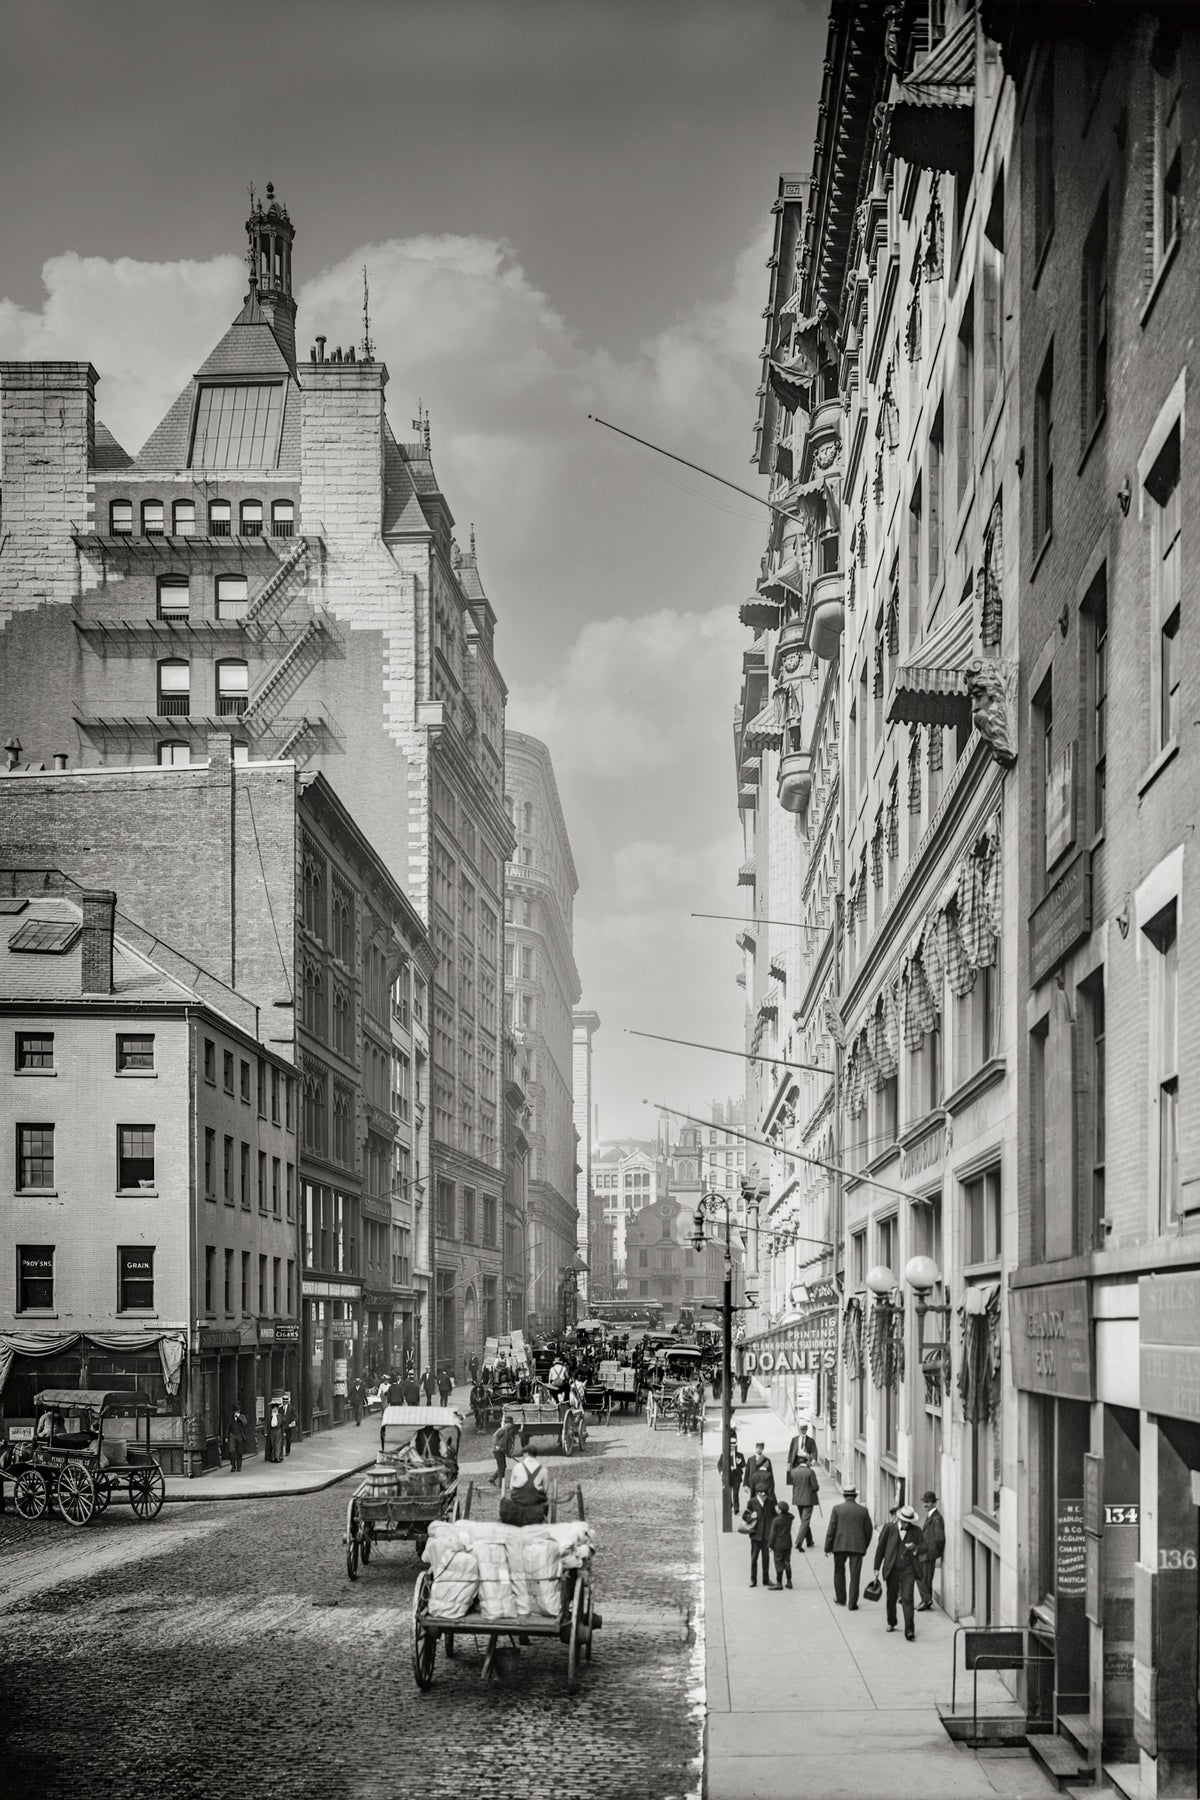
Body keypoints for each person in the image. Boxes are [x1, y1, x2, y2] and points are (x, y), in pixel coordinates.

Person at [880, 1505, 926, 1639]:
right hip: (892, 1569)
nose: (906, 1524)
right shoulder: (889, 1528)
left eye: (908, 1522)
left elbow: (925, 1547)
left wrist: (915, 1548)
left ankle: (909, 1630)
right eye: (904, 1521)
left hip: (908, 1570)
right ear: (900, 1519)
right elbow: (881, 1548)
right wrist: (876, 1567)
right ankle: (891, 1621)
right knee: (891, 1597)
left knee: (908, 1598)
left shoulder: (916, 1531)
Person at [824, 1484, 873, 1608]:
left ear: (844, 1495)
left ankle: (841, 1598)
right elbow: (868, 1531)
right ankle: (852, 1603)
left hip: (839, 1545)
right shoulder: (863, 1510)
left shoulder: (837, 1509)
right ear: (855, 1496)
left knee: (839, 1572)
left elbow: (831, 1529)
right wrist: (864, 1545)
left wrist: (827, 1547)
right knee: (855, 1575)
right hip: (857, 1547)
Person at [500, 1444, 548, 1525]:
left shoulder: (517, 1467)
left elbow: (511, 1487)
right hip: (535, 1500)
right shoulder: (543, 1469)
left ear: (526, 1454)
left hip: (518, 1498)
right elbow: (545, 1489)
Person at [743, 1487, 777, 1588]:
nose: (764, 1497)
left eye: (765, 1495)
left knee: (766, 1559)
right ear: (758, 1494)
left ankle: (766, 1579)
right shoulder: (751, 1502)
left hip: (766, 1536)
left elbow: (774, 1516)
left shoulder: (770, 1502)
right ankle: (753, 1580)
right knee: (754, 1559)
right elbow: (745, 1516)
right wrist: (751, 1517)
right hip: (756, 1536)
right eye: (762, 1495)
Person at [919, 1490, 945, 1610]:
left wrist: (935, 1552)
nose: (925, 1504)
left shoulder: (936, 1518)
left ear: (934, 1503)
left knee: (922, 1577)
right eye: (924, 1502)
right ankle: (926, 1601)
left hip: (929, 1553)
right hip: (926, 1552)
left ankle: (926, 1600)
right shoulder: (931, 1515)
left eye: (928, 1502)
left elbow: (939, 1538)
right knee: (925, 1578)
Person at [788, 1455, 820, 1551]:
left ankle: (809, 1540)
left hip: (798, 1499)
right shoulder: (810, 1472)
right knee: (805, 1521)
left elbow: (790, 1483)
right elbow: (815, 1487)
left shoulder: (793, 1472)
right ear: (806, 1462)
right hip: (808, 1499)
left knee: (804, 1520)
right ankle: (799, 1542)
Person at [769, 1501, 795, 1589]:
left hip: (778, 1544)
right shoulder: (789, 1518)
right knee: (787, 1562)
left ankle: (779, 1583)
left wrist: (770, 1545)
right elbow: (791, 1515)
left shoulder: (776, 1520)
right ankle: (789, 1581)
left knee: (778, 1563)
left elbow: (773, 1534)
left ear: (780, 1510)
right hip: (788, 1543)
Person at [491, 1411, 521, 1487]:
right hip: (497, 1451)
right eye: (510, 1424)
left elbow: (507, 1444)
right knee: (501, 1467)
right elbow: (494, 1437)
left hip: (502, 1451)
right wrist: (496, 1446)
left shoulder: (507, 1431)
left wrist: (508, 1453)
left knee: (502, 1467)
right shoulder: (502, 1430)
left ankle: (492, 1478)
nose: (511, 1425)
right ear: (507, 1423)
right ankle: (501, 1485)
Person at [718, 1434, 747, 1514]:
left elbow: (744, 1464)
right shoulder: (724, 1455)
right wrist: (721, 1472)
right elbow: (719, 1464)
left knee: (736, 1493)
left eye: (734, 1446)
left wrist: (740, 1462)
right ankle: (730, 1504)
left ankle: (736, 1508)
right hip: (728, 1476)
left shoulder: (740, 1455)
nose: (732, 1448)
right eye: (731, 1446)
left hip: (736, 1476)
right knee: (728, 1492)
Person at [225, 1405, 248, 1473]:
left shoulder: (242, 1417)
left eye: (237, 1411)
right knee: (231, 1451)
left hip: (239, 1436)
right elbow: (227, 1427)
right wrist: (226, 1436)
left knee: (239, 1452)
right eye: (235, 1412)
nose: (236, 1413)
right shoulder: (230, 1417)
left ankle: (239, 1466)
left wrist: (239, 1417)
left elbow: (244, 1423)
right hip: (232, 1436)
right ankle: (233, 1466)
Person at [266, 1399, 285, 1463]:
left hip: (278, 1431)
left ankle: (277, 1457)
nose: (274, 1410)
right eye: (273, 1409)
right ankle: (273, 1457)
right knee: (272, 1444)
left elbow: (282, 1425)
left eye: (276, 1408)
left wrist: (283, 1432)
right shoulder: (269, 1416)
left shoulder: (280, 1416)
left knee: (278, 1444)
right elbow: (267, 1424)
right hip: (271, 1431)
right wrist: (266, 1432)